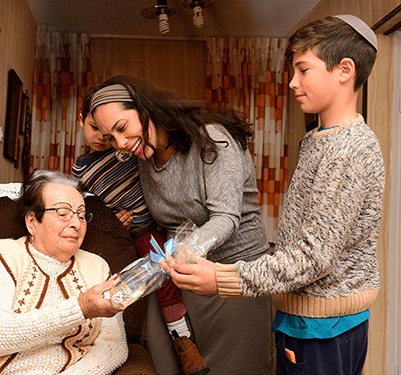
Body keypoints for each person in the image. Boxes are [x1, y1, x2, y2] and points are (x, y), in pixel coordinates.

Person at [159, 15, 384, 375]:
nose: (293, 82)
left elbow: (314, 258)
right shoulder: (318, 140)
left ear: (344, 70)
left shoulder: (346, 150)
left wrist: (222, 278)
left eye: (303, 69)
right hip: (305, 321)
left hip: (323, 330)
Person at [88, 76, 274, 374]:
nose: (121, 145)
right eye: (111, 137)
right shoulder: (143, 157)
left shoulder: (212, 139)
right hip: (184, 278)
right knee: (164, 360)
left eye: (122, 128)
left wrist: (179, 255)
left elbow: (226, 218)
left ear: (146, 109)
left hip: (234, 277)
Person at [72, 85, 209, 375]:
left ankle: (183, 341)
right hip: (121, 234)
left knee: (164, 276)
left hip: (154, 229)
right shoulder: (80, 169)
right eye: (95, 129)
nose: (103, 138)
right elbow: (86, 210)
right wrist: (109, 220)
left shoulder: (129, 151)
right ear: (79, 119)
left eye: (109, 132)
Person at [0, 170, 128, 375]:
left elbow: (113, 346)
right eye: (63, 213)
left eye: (81, 215)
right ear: (32, 222)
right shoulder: (1, 255)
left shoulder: (98, 267)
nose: (76, 224)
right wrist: (81, 308)